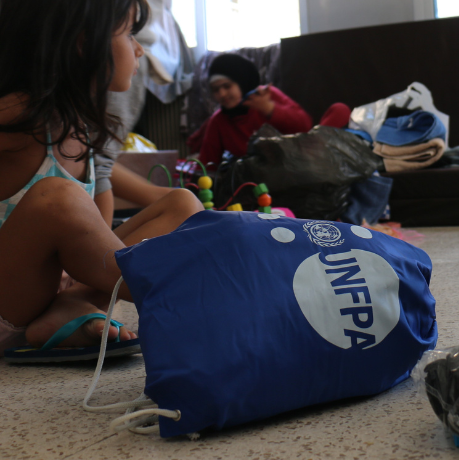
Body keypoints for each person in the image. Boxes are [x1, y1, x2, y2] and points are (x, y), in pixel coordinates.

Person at [0, 0, 204, 351]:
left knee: (182, 204)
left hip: (52, 293)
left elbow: (96, 230)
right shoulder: (22, 113)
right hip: (9, 301)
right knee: (59, 197)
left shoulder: (85, 125)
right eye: (128, 33)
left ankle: (70, 305)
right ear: (83, 43)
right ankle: (193, 292)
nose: (139, 49)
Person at [197, 53, 314, 167]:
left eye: (227, 86)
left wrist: (269, 108)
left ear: (242, 82)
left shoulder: (267, 96)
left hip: (292, 169)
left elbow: (305, 126)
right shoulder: (219, 121)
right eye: (216, 90)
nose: (221, 94)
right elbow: (206, 165)